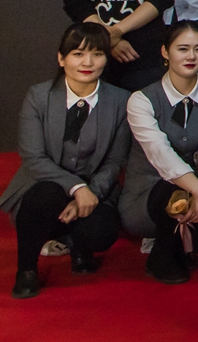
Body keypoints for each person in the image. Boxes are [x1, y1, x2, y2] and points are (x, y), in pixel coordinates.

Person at [4, 23, 129, 299]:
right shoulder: (39, 96)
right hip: (44, 187)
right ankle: (26, 269)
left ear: (106, 59)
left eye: (97, 54)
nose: (88, 62)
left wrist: (90, 193)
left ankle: (79, 245)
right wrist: (76, 188)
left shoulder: (122, 101)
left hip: (95, 188)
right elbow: (33, 157)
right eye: (78, 54)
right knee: (45, 196)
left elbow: (114, 162)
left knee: (101, 231)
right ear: (61, 58)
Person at [122, 21, 198, 284]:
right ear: (165, 52)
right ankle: (162, 256)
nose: (191, 56)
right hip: (148, 193)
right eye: (182, 49)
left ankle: (184, 241)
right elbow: (160, 153)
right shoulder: (141, 99)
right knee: (170, 190)